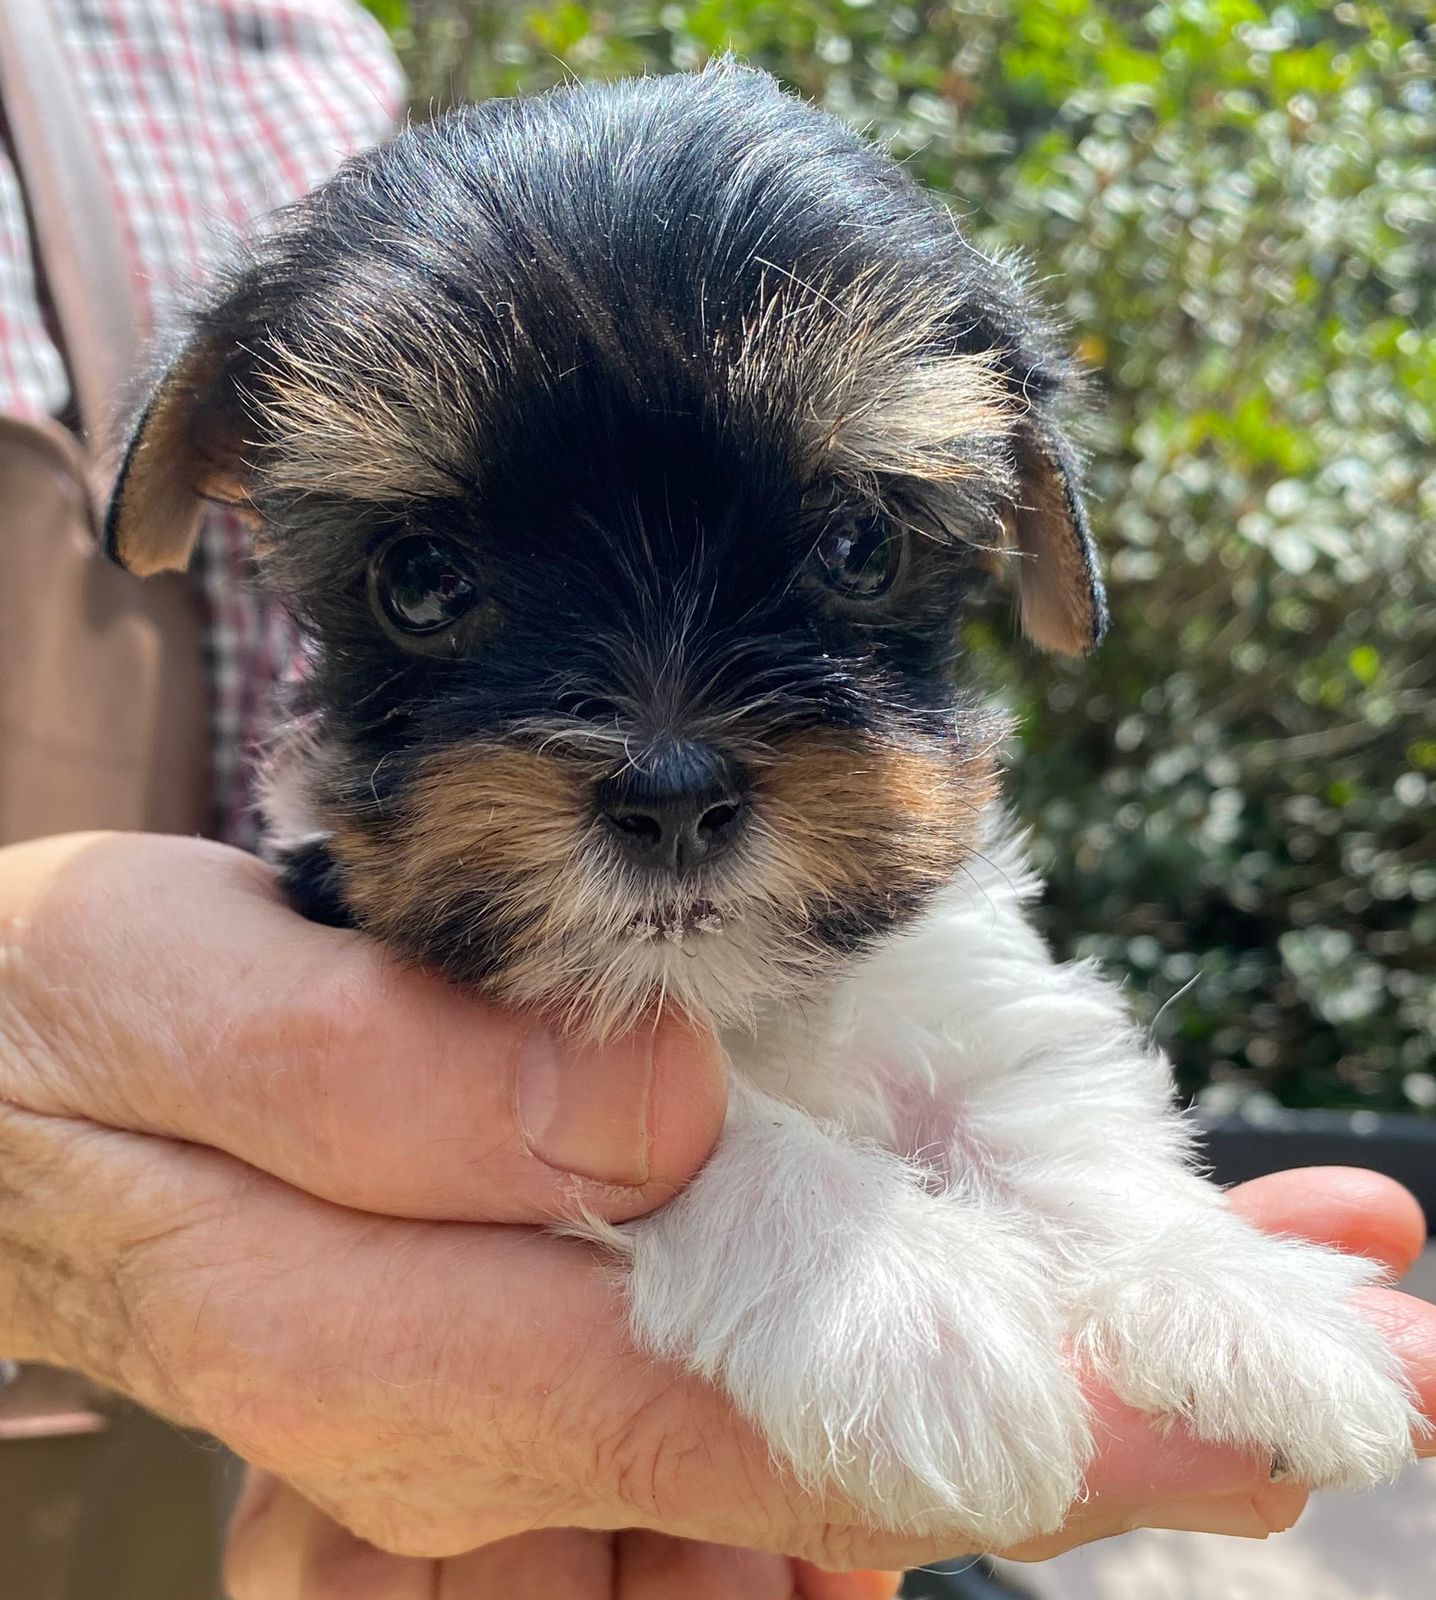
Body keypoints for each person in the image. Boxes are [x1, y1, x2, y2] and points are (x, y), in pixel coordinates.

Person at [1, 9, 1432, 1600]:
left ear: (1032, 524)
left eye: (856, 552)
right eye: (429, 582)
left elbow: (1004, 1081)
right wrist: (761, 1229)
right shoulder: (334, 937)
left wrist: (1153, 1255)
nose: (667, 765)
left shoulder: (283, 52)